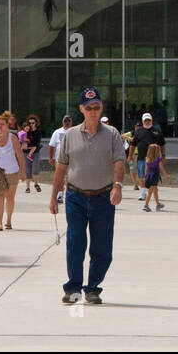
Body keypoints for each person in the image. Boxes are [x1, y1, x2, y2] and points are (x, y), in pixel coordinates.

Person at [49, 86, 126, 305]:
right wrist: (54, 196)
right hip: (76, 197)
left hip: (103, 197)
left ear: (101, 108)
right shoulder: (70, 135)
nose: (93, 111)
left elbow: (119, 161)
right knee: (75, 243)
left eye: (97, 107)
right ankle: (73, 288)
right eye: (89, 107)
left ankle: (92, 288)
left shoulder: (111, 134)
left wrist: (117, 186)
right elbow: (61, 168)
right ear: (82, 109)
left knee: (102, 248)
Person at [0, 111, 26, 230]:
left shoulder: (13, 138)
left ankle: (8, 220)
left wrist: (23, 172)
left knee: (10, 198)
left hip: (12, 171)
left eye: (2, 124)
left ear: (7, 125)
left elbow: (20, 155)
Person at [130, 112, 165, 204]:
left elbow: (162, 144)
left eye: (149, 120)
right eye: (145, 120)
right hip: (141, 158)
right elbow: (132, 144)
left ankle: (153, 194)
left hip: (154, 159)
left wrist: (163, 155)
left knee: (153, 177)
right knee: (142, 176)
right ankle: (143, 194)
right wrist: (130, 156)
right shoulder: (138, 132)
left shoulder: (157, 131)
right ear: (143, 121)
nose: (147, 121)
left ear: (152, 120)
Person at [48, 113, 73, 204]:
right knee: (60, 178)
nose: (66, 123)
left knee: (71, 178)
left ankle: (69, 195)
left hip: (72, 160)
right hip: (60, 159)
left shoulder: (75, 132)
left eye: (68, 121)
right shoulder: (57, 132)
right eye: (65, 121)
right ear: (62, 122)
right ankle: (60, 195)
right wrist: (51, 157)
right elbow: (51, 145)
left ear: (71, 122)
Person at [22, 115, 43, 193]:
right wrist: (24, 145)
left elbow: (36, 143)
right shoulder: (26, 131)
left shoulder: (38, 131)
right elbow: (21, 140)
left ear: (36, 123)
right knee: (28, 170)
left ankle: (36, 184)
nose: (31, 124)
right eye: (29, 123)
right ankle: (27, 187)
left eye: (33, 123)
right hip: (26, 153)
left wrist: (28, 146)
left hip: (36, 152)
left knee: (35, 169)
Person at [141, 143, 165, 212]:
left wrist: (145, 177)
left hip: (149, 175)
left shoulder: (147, 159)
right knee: (150, 191)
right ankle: (146, 205)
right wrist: (166, 175)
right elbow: (161, 168)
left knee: (155, 190)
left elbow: (146, 169)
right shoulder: (158, 159)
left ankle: (158, 204)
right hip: (155, 176)